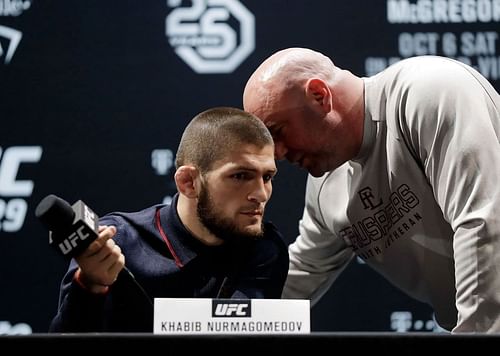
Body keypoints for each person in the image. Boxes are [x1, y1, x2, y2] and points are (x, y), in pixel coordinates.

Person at [243, 47, 500, 333]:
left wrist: (477, 334)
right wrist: (210, 321)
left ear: (319, 95)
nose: (276, 154)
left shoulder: (429, 91)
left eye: (277, 131)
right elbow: (303, 274)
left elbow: (484, 220)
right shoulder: (324, 185)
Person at [49, 107, 289, 332]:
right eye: (240, 176)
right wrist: (90, 285)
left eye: (267, 177)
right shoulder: (116, 241)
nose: (260, 194)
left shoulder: (265, 249)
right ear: (188, 182)